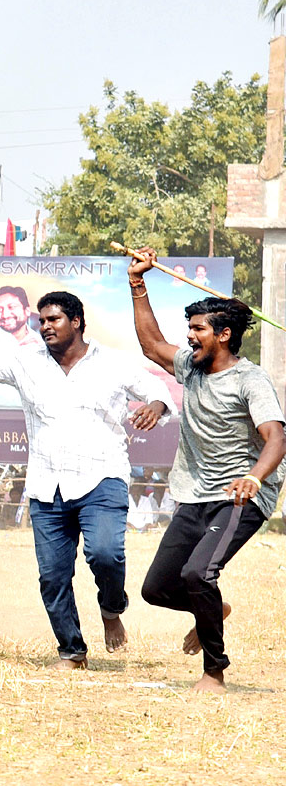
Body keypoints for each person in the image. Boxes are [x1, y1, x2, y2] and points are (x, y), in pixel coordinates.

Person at [0, 290, 174, 669]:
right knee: (53, 576)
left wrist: (155, 406)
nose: (45, 327)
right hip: (46, 482)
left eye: (53, 319)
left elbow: (157, 389)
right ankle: (72, 651)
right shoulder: (25, 361)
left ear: (76, 321)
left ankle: (110, 609)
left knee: (105, 553)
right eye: (41, 321)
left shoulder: (112, 363)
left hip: (102, 475)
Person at [128, 248, 286, 693]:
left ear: (224, 334)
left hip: (242, 495)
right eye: (190, 329)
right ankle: (211, 609)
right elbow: (151, 344)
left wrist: (254, 477)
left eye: (198, 330)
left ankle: (214, 672)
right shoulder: (191, 368)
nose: (190, 337)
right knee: (157, 589)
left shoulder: (250, 380)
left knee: (198, 574)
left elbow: (277, 437)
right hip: (195, 493)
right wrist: (137, 284)